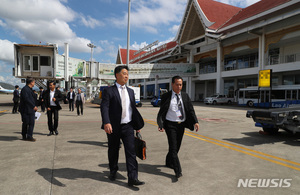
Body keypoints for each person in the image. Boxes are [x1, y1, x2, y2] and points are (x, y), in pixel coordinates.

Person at [100, 65, 145, 187]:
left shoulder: (130, 91)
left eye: (127, 74)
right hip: (113, 127)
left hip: (128, 126)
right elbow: (104, 107)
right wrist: (106, 122)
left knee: (131, 152)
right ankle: (113, 171)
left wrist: (136, 125)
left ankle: (133, 178)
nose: (126, 76)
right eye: (124, 73)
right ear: (117, 75)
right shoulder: (109, 91)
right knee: (113, 151)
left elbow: (132, 109)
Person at [157, 75, 199, 179]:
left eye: (180, 85)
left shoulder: (185, 96)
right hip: (170, 125)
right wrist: (160, 124)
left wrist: (195, 122)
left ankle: (168, 161)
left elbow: (190, 109)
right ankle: (178, 170)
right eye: (177, 84)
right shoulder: (166, 96)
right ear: (172, 84)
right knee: (173, 147)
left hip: (181, 125)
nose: (179, 87)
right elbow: (162, 112)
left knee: (176, 148)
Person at [19, 77, 38, 141]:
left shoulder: (30, 89)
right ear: (31, 82)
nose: (34, 84)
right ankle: (26, 136)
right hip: (26, 110)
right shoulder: (25, 89)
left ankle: (28, 135)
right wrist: (33, 106)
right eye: (34, 82)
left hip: (30, 109)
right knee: (27, 123)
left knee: (30, 123)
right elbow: (26, 99)